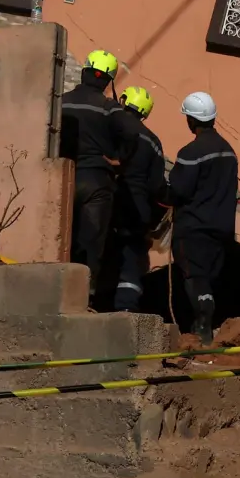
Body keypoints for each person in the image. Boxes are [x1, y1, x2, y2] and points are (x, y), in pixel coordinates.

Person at [166, 91, 236, 344]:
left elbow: (178, 190)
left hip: (193, 227)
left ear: (191, 120)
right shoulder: (229, 151)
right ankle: (205, 325)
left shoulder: (191, 152)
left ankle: (202, 326)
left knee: (194, 277)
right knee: (209, 277)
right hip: (222, 228)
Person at [60, 50, 128, 307]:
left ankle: (56, 291)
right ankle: (83, 298)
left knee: (61, 237)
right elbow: (133, 134)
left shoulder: (61, 101)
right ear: (107, 81)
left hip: (62, 178)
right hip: (97, 182)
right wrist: (121, 160)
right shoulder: (109, 108)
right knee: (91, 241)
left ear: (84, 72)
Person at [109, 86, 166, 313]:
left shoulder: (112, 127)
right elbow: (156, 185)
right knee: (132, 257)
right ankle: (125, 308)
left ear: (124, 101)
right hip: (137, 207)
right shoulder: (153, 141)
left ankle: (90, 300)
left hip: (108, 200)